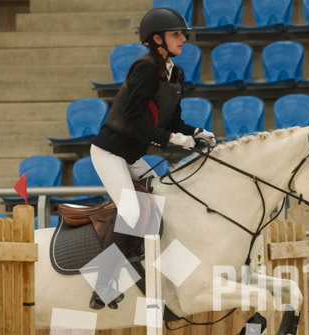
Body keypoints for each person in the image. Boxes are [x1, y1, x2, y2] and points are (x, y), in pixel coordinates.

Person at [87, 6, 216, 310]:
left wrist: (197, 132)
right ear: (157, 39)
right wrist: (173, 140)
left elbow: (172, 121)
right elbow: (133, 122)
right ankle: (102, 284)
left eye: (183, 34)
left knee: (163, 199)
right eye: (176, 34)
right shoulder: (144, 69)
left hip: (132, 155)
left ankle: (146, 261)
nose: (183, 39)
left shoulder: (175, 73)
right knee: (132, 210)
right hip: (110, 152)